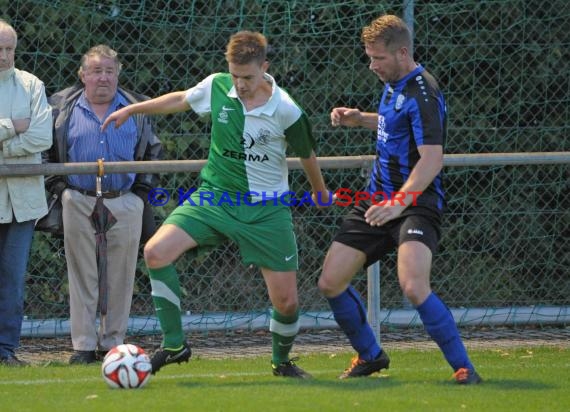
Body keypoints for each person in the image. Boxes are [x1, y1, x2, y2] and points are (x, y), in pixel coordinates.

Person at [102, 30, 331, 378]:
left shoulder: (286, 109)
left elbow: (307, 154)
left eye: (248, 77)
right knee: (155, 252)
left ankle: (281, 362)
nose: (240, 84)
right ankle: (175, 344)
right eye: (236, 76)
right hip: (214, 198)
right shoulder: (218, 86)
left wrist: (320, 191)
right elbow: (180, 99)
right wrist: (133, 109)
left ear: (265, 67)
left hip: (265, 210)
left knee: (287, 302)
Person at [317, 15, 482, 384]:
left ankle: (465, 369)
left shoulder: (423, 91)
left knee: (412, 285)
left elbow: (432, 158)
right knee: (330, 282)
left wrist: (400, 203)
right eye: (370, 57)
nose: (372, 66)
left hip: (416, 203)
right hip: (378, 199)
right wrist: (361, 118)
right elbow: (396, 122)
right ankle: (371, 356)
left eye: (379, 58)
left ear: (403, 52)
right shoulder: (395, 84)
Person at [46, 45, 162, 364]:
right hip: (77, 199)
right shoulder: (60, 106)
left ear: (118, 74)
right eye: (96, 71)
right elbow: (46, 151)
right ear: (82, 75)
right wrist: (60, 188)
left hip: (124, 200)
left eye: (110, 71)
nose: (103, 78)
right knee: (82, 271)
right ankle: (83, 345)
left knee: (122, 274)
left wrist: (139, 195)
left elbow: (153, 151)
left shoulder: (136, 107)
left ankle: (113, 343)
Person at [0, 19, 53, 366]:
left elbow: (42, 137)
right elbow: (27, 137)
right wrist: (12, 127)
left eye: (9, 49)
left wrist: (3, 142)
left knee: (13, 281)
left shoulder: (32, 84)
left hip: (22, 202)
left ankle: (5, 352)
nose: (4, 55)